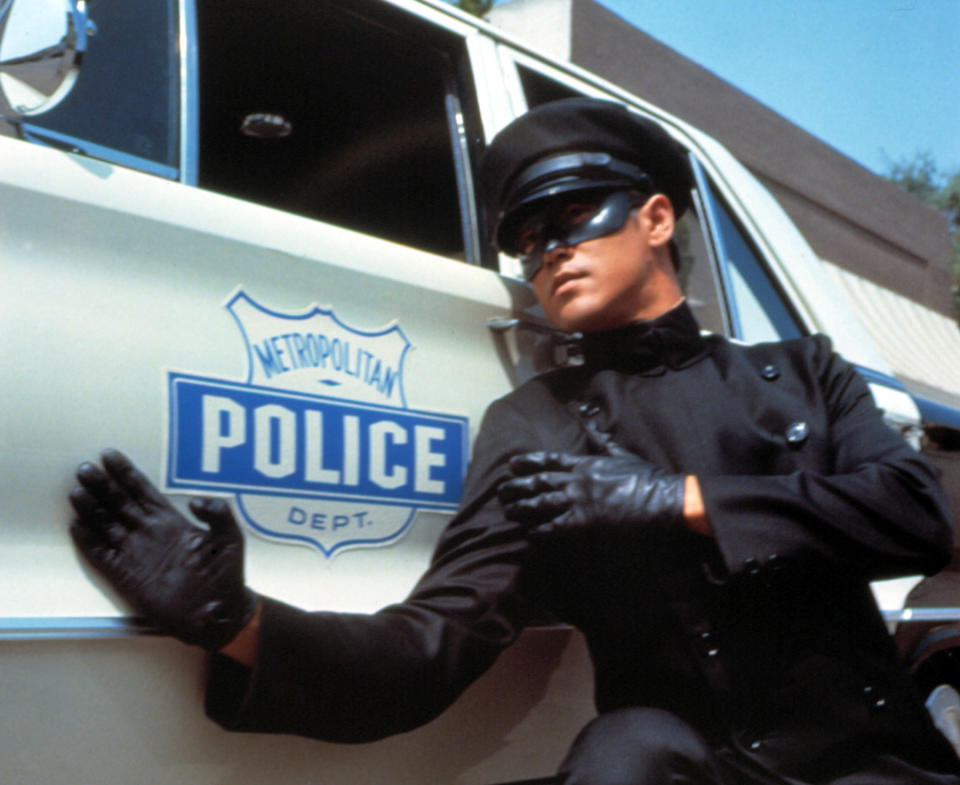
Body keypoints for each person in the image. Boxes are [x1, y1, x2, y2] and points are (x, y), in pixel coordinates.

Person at [68, 98, 960, 784]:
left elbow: (920, 515)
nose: (549, 253)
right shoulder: (537, 424)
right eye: (529, 242)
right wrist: (240, 621)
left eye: (573, 217)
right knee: (628, 744)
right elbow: (427, 648)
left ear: (654, 218)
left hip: (870, 760)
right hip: (694, 764)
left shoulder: (803, 370)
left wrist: (679, 501)